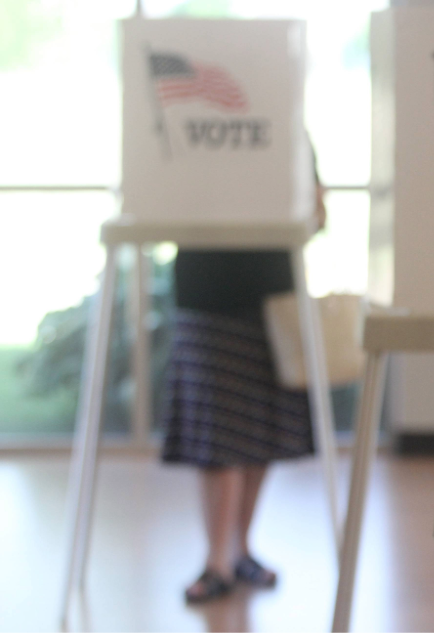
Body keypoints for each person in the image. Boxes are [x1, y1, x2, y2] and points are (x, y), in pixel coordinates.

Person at [161, 161, 327, 604]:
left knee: (257, 433)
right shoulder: (194, 124)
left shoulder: (284, 121)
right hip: (207, 294)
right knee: (219, 436)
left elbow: (318, 213)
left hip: (270, 293)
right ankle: (219, 558)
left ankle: (236, 552)